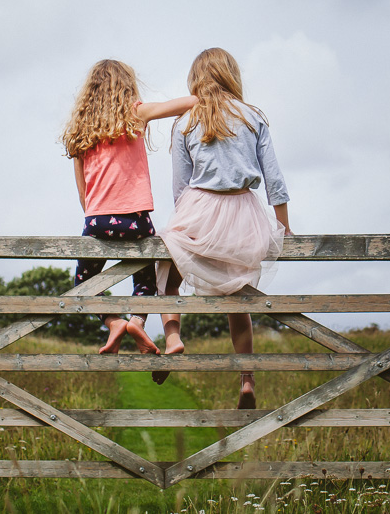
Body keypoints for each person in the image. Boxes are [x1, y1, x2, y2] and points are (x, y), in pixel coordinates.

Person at [155, 48, 292, 409]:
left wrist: (188, 227)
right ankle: (246, 380)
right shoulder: (253, 117)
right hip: (245, 211)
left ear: (195, 79)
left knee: (167, 271)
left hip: (200, 207)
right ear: (232, 74)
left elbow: (180, 188)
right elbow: (274, 179)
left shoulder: (185, 122)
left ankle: (172, 337)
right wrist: (284, 227)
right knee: (238, 297)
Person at [62, 59, 197, 355]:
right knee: (146, 280)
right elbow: (187, 103)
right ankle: (137, 320)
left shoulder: (80, 132)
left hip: (96, 220)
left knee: (82, 286)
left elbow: (83, 195)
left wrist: (97, 216)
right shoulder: (135, 114)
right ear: (127, 88)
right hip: (135, 221)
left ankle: (112, 322)